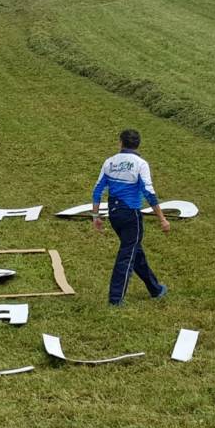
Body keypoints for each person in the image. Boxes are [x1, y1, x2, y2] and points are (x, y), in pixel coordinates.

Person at [91, 129, 170, 306]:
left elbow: (97, 190)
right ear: (138, 144)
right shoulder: (140, 164)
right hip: (131, 215)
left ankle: (155, 288)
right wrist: (162, 218)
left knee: (135, 250)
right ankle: (115, 299)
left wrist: (95, 215)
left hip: (114, 215)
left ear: (120, 143)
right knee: (127, 255)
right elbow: (148, 193)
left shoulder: (109, 162)